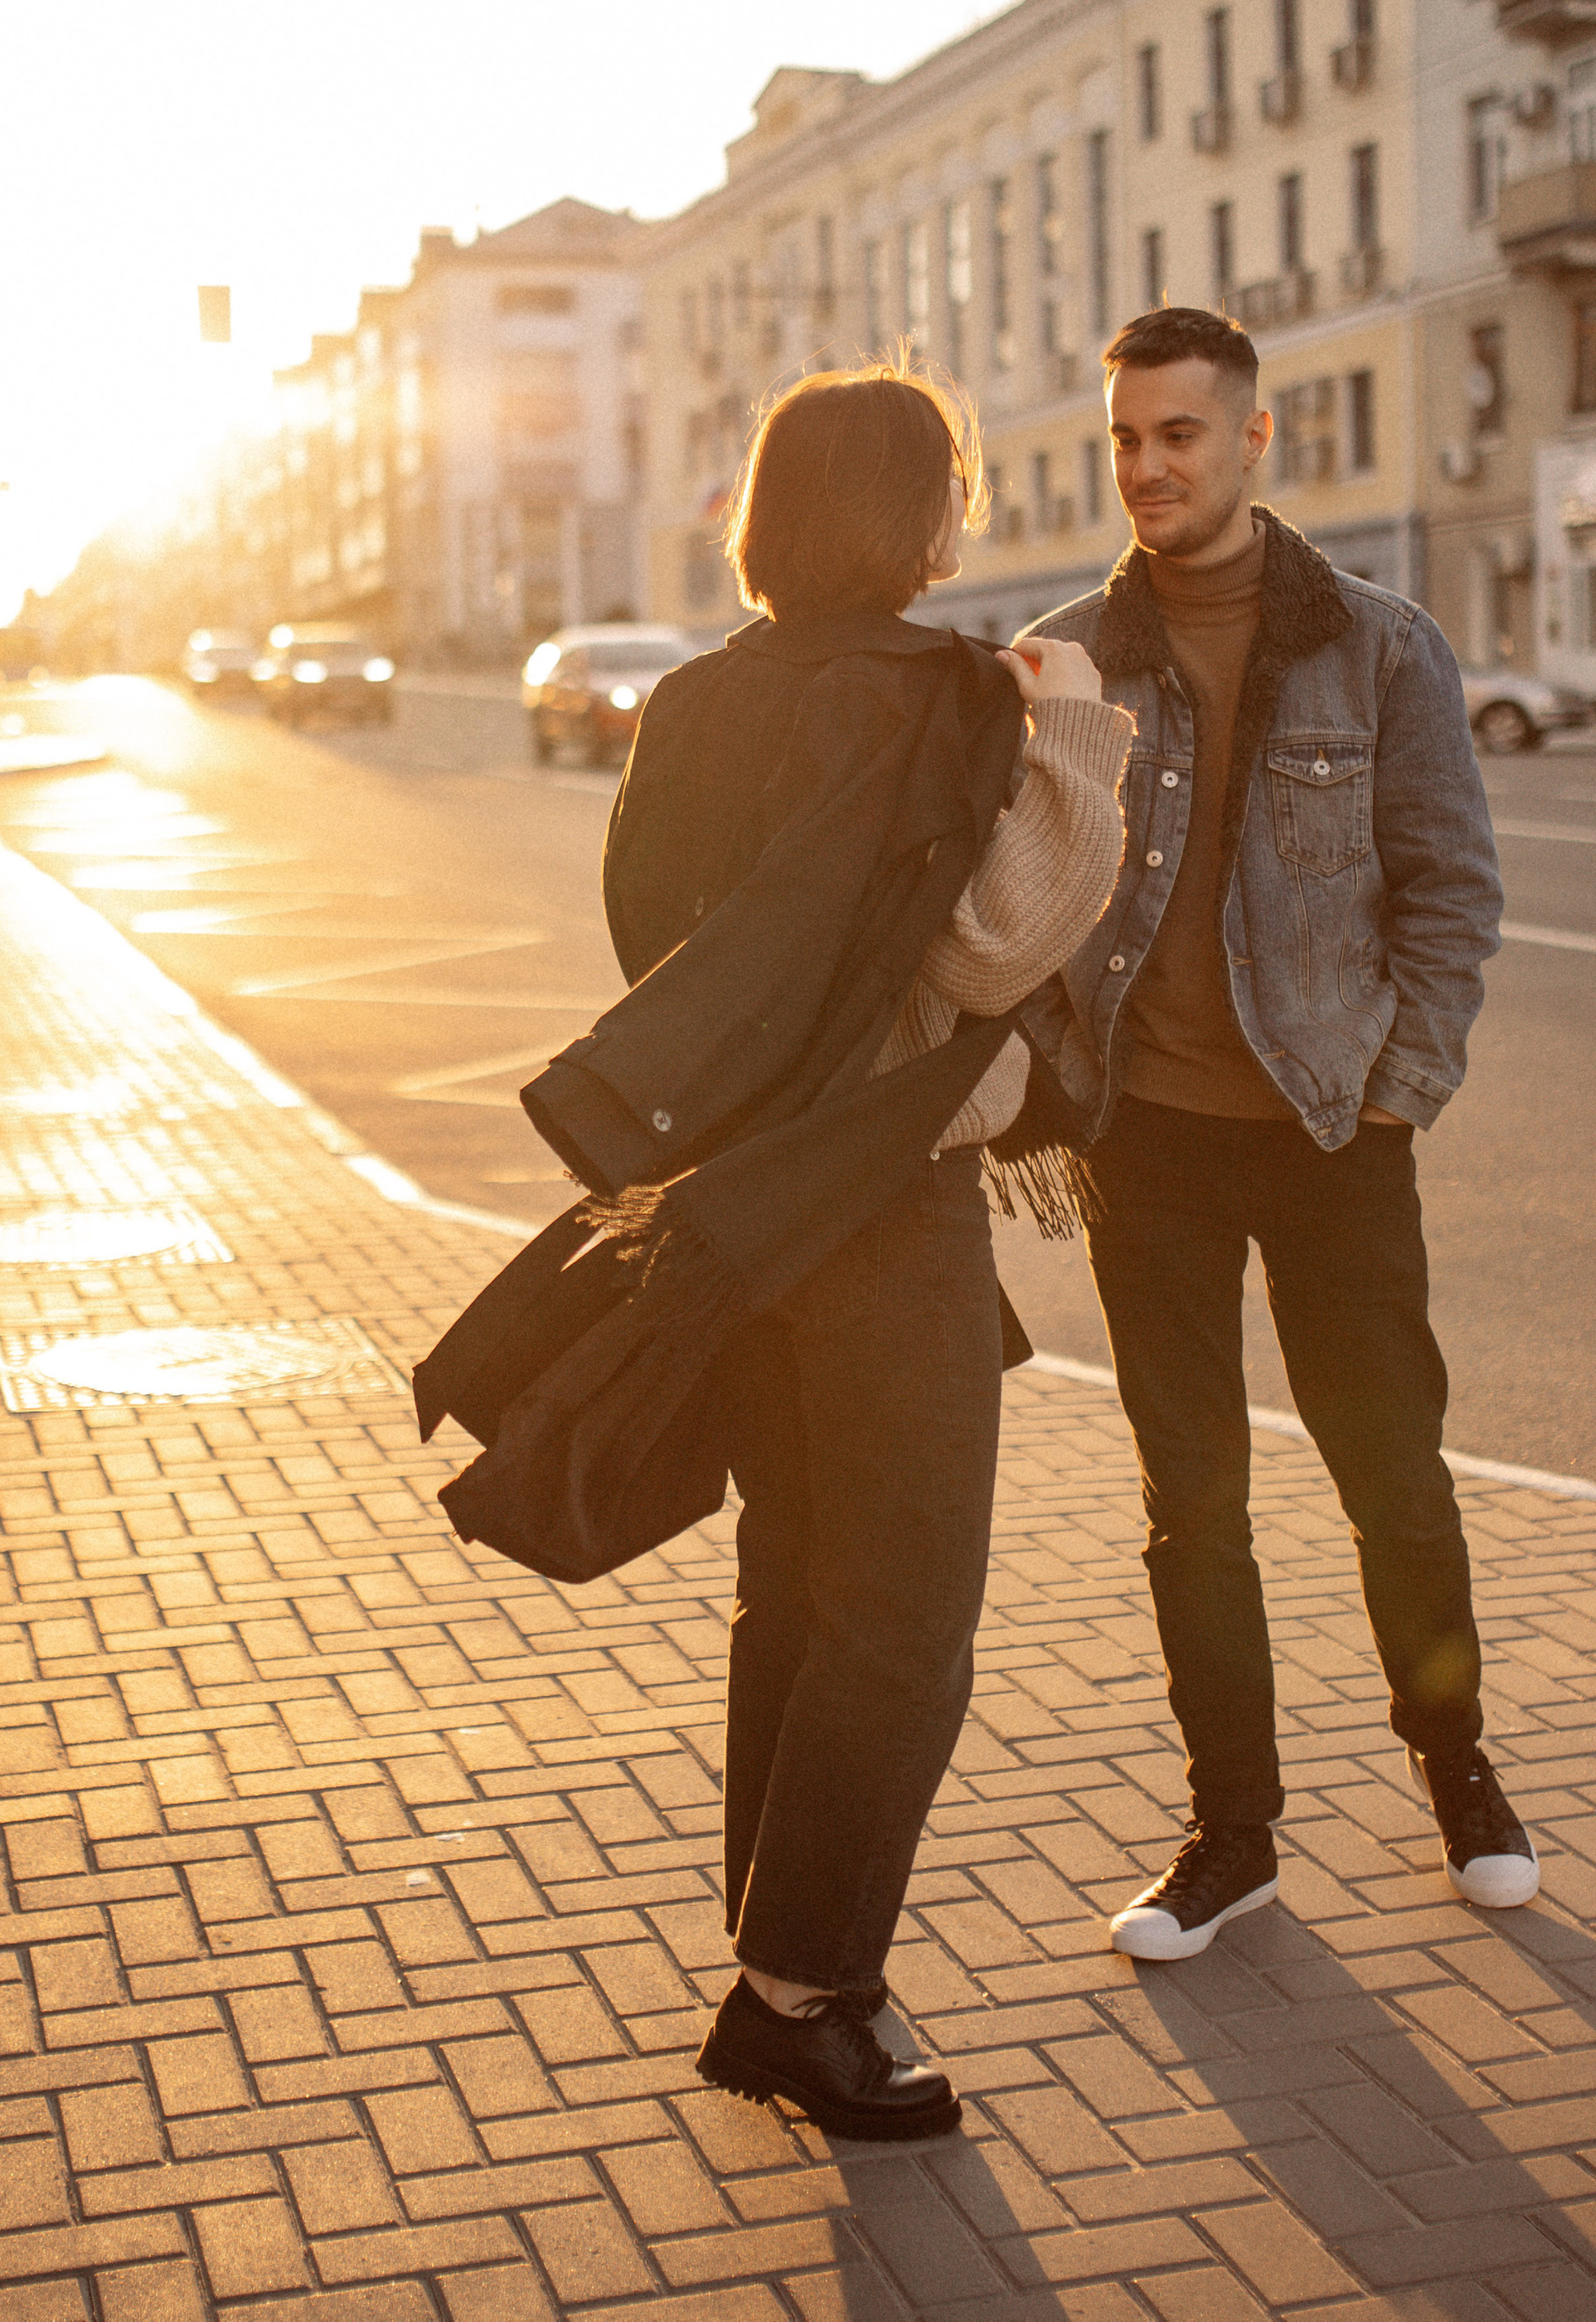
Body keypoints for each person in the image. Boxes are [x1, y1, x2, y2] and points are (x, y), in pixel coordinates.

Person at [601, 365, 1133, 2137]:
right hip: (875, 1203)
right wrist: (1069, 737)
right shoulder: (950, 693)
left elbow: (645, 941)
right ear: (914, 517)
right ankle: (798, 1998)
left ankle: (786, 1942)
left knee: (797, 1582)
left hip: (736, 1202)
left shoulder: (685, 700)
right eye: (950, 488)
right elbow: (993, 943)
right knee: (903, 1619)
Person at [1015, 304, 1532, 1960]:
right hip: (1144, 1146)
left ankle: (1453, 1766)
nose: (1145, 467)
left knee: (1390, 1472)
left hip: (1328, 1134)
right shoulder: (1067, 660)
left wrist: (1401, 1085)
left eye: (1177, 433)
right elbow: (1015, 904)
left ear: (1251, 438)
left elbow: (1448, 891)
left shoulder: (1377, 644)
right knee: (1193, 1499)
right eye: (1123, 438)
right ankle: (1229, 1830)